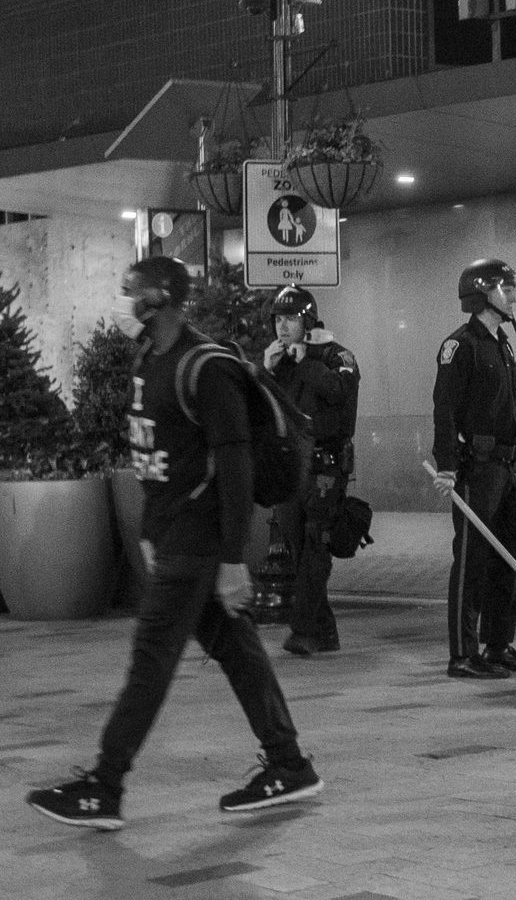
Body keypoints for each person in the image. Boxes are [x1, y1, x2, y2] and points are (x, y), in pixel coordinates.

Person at [27, 258, 322, 829]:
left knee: (151, 658)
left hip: (202, 539)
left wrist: (235, 558)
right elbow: (156, 460)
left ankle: (104, 788)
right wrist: (147, 531)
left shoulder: (204, 368)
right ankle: (288, 764)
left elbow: (235, 466)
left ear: (160, 298)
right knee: (235, 648)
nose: (122, 302)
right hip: (175, 534)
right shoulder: (149, 359)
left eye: (129, 293)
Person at [427, 257, 516, 679]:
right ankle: (462, 654)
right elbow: (445, 411)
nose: (513, 296)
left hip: (509, 466)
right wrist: (446, 467)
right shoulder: (460, 346)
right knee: (473, 560)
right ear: (484, 293)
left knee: (509, 556)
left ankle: (499, 645)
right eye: (506, 289)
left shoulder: (502, 344)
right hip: (477, 470)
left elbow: (509, 411)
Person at [262, 285, 359, 658]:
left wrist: (306, 362)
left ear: (307, 320)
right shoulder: (280, 360)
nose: (283, 326)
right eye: (278, 319)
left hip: (326, 468)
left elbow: (340, 390)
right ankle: (326, 631)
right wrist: (266, 371)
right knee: (299, 548)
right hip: (291, 468)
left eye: (290, 319)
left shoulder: (337, 356)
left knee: (316, 544)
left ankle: (303, 630)